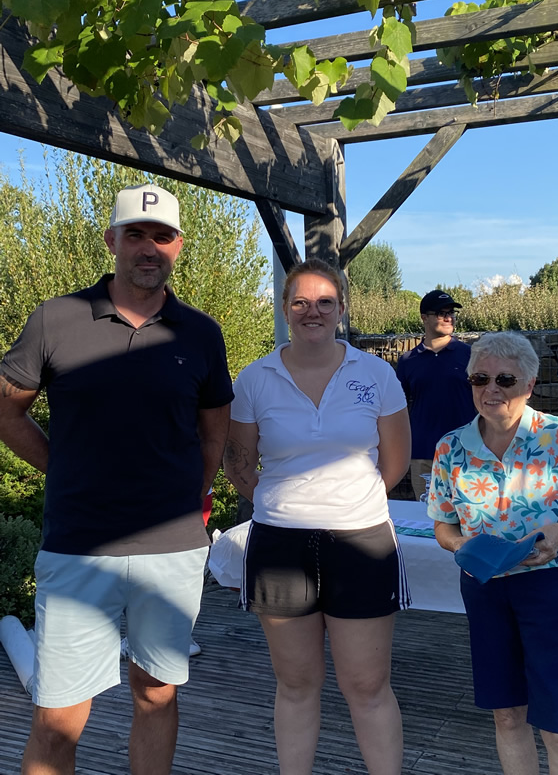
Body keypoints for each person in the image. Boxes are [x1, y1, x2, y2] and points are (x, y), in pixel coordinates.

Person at [0, 184, 233, 775]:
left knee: (157, 694)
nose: (149, 248)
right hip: (80, 545)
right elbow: (6, 410)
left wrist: (189, 492)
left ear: (178, 246)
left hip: (172, 549)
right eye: (136, 234)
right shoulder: (56, 318)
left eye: (162, 236)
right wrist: (63, 466)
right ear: (112, 241)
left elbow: (213, 434)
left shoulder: (201, 333)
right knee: (58, 716)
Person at [223, 257, 411, 775]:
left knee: (367, 686)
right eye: (301, 302)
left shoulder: (376, 374)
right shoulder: (255, 378)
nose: (313, 312)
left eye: (325, 302)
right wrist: (284, 502)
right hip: (280, 545)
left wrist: (345, 501)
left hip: (362, 541)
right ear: (285, 309)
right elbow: (238, 463)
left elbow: (394, 463)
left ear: (342, 309)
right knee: (296, 683)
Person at [428, 331, 558, 775]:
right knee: (507, 715)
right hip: (486, 588)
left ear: (529, 383)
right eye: (480, 379)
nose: (492, 389)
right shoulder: (450, 447)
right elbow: (443, 524)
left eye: (505, 379)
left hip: (555, 587)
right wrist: (462, 545)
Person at [396, 289, 475, 499]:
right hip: (423, 452)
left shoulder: (471, 355)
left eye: (451, 312)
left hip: (466, 450)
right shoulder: (408, 361)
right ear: (424, 317)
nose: (449, 318)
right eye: (441, 313)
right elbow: (397, 407)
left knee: (469, 510)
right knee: (426, 512)